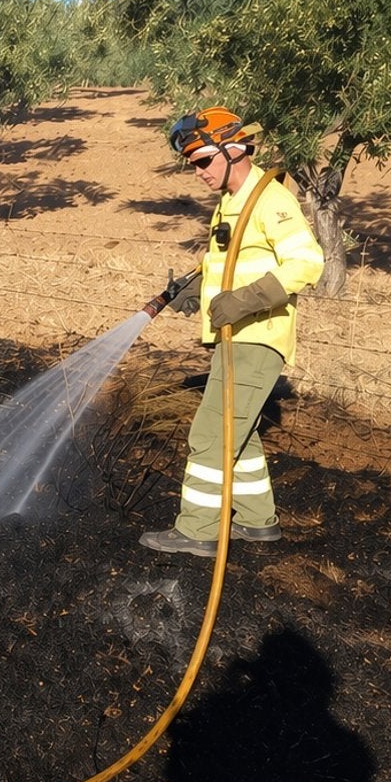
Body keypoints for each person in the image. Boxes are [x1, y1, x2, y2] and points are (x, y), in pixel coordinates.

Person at [143, 106, 325, 557]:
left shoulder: (269, 199)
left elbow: (307, 264)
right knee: (238, 432)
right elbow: (234, 262)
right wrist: (198, 288)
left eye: (204, 160)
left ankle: (198, 530)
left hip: (257, 337)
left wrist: (243, 300)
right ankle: (258, 522)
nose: (198, 171)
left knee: (209, 435)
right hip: (235, 337)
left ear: (235, 148)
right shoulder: (232, 200)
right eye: (193, 164)